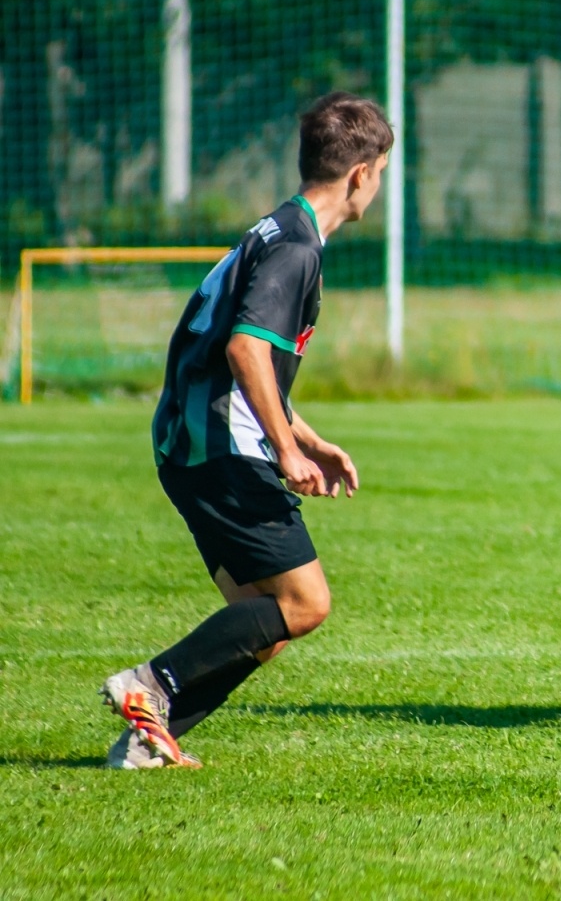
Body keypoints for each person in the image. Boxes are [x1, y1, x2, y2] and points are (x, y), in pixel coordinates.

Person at [100, 92, 392, 768]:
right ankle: (151, 685)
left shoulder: (273, 230)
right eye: (381, 173)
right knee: (305, 602)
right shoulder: (295, 250)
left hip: (190, 442)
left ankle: (146, 743)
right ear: (362, 175)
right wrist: (285, 450)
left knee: (267, 624)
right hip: (220, 447)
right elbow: (244, 352)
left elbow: (232, 353)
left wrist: (305, 434)